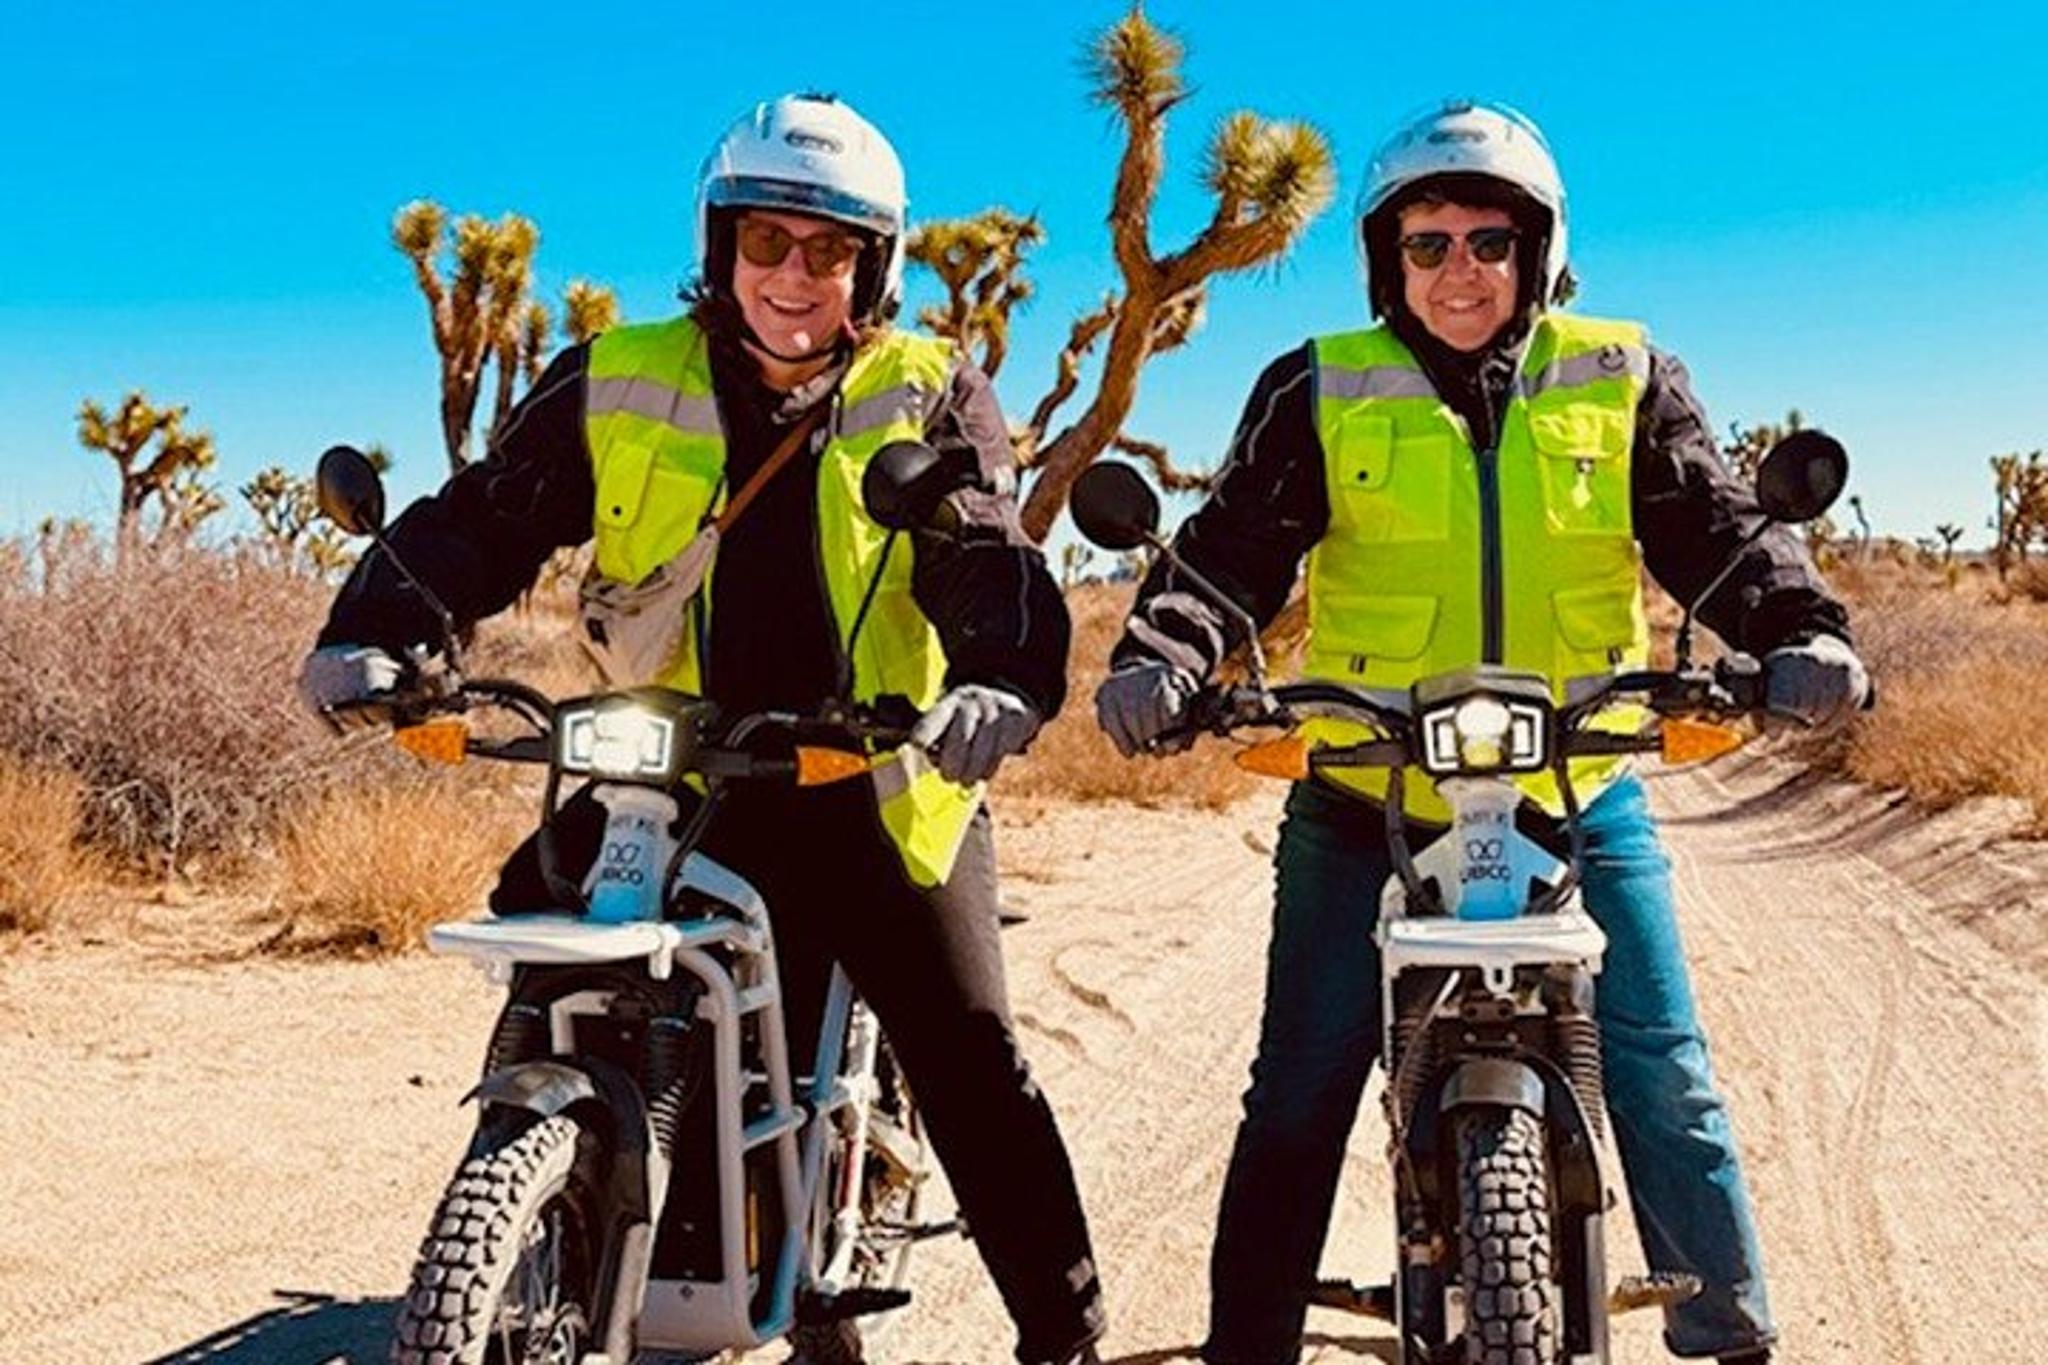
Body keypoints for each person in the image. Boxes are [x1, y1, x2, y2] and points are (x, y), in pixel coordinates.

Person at [299, 92, 1105, 1365]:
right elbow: (489, 514)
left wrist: (1001, 677)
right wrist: (378, 631)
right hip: (664, 763)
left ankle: (1063, 1329)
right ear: (721, 244)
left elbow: (981, 550)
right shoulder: (620, 375)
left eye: (829, 251)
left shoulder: (924, 386)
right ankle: (544, 1222)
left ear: (872, 267)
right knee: (550, 956)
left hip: (871, 767)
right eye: (766, 241)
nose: (793, 276)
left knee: (963, 1043)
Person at [1094, 99, 1870, 1365]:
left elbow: (1717, 532)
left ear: (1539, 249)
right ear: (1382, 258)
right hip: (1365, 794)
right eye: (1426, 242)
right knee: (1296, 1083)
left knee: (1661, 1068)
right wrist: (1160, 657)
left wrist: (1801, 632)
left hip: (1575, 783)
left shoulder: (1621, 377)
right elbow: (1227, 553)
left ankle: (1729, 1335)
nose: (1459, 268)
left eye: (1489, 241)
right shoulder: (1318, 388)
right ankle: (1247, 1346)